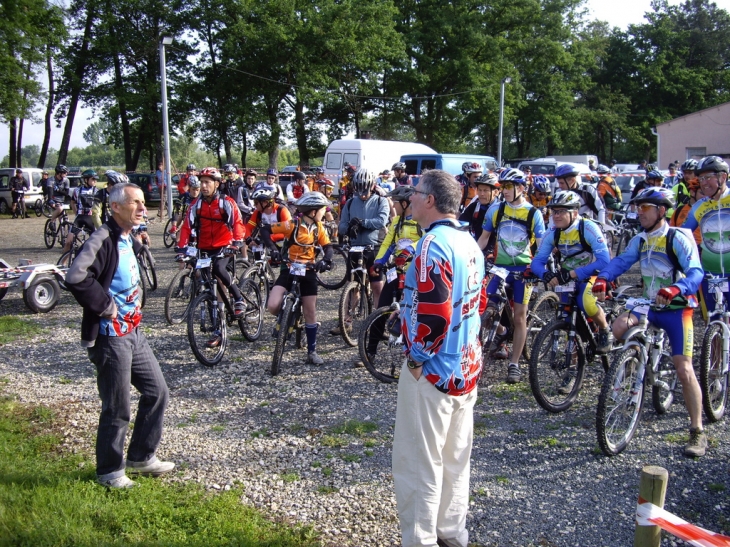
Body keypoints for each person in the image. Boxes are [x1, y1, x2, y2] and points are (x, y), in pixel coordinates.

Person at [393, 169, 486, 547]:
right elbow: (478, 302)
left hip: (432, 372)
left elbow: (436, 314)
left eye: (415, 193)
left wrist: (417, 358)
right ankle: (451, 533)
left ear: (430, 200)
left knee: (419, 465)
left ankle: (420, 540)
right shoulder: (470, 243)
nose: (410, 198)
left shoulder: (431, 246)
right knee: (454, 460)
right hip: (465, 368)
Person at [65, 182, 174, 488]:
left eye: (143, 202)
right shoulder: (103, 237)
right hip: (110, 335)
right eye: (135, 203)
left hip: (133, 331)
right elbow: (75, 276)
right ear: (115, 207)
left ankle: (140, 458)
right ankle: (110, 472)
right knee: (117, 406)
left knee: (157, 391)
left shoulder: (127, 237)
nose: (143, 208)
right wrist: (105, 306)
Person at [593, 187, 706, 457]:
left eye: (645, 208)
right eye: (637, 207)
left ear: (661, 211)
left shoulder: (676, 237)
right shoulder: (640, 239)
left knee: (683, 368)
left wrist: (677, 288)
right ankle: (625, 376)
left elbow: (696, 272)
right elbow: (622, 261)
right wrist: (603, 277)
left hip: (677, 308)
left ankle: (697, 430)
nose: (639, 212)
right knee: (618, 327)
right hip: (648, 305)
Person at [476, 168, 546, 383]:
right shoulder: (495, 211)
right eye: (502, 186)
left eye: (509, 186)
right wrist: (473, 259)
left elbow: (542, 247)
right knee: (485, 307)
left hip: (522, 269)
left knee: (519, 316)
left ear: (521, 188)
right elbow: (484, 239)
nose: (504, 190)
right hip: (500, 267)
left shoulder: (534, 214)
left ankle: (514, 364)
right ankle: (501, 330)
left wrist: (536, 268)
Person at [532, 191, 613, 356]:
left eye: (561, 211)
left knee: (586, 303)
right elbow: (537, 262)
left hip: (592, 274)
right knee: (568, 318)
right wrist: (546, 274)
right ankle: (575, 365)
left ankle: (605, 330)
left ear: (575, 213)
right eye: (554, 211)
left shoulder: (588, 228)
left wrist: (575, 274)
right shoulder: (553, 232)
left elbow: (604, 260)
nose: (556, 215)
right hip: (567, 276)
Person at [262, 192, 333, 365]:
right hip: (289, 269)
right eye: (323, 209)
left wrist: (326, 260)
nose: (325, 212)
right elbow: (265, 230)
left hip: (308, 271)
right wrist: (272, 249)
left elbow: (328, 247)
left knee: (310, 312)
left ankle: (312, 351)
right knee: (272, 305)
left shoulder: (319, 228)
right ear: (313, 211)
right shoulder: (292, 225)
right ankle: (284, 317)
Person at [177, 167, 247, 343]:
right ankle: (217, 329)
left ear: (216, 184)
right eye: (202, 182)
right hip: (204, 247)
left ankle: (238, 298)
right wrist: (181, 249)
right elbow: (186, 227)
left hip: (224, 246)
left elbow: (237, 223)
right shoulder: (196, 204)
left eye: (207, 182)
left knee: (218, 269)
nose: (204, 185)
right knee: (208, 285)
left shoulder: (226, 202)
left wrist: (237, 242)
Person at [360, 185, 422, 366]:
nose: (392, 205)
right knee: (382, 308)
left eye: (395, 201)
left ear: (405, 203)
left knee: (415, 310)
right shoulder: (397, 222)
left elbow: (427, 239)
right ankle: (370, 351)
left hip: (415, 273)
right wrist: (379, 261)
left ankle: (416, 354)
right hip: (397, 271)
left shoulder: (420, 221)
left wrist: (411, 249)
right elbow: (388, 244)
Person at [333, 168, 390, 335]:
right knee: (352, 287)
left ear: (372, 186)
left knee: (377, 286)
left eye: (365, 190)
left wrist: (362, 222)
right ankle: (346, 321)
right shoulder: (350, 203)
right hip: (356, 247)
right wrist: (350, 226)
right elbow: (341, 226)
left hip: (374, 247)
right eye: (359, 190)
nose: (363, 194)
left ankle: (378, 323)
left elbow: (381, 221)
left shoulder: (381, 201)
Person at [681, 156, 730, 321]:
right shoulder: (699, 206)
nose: (703, 183)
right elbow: (683, 235)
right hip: (711, 274)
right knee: (714, 319)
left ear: (723, 177)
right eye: (700, 178)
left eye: (708, 177)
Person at [244, 183, 293, 260]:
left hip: (281, 239)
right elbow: (248, 227)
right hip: (266, 238)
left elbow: (289, 231)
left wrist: (268, 238)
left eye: (256, 203)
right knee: (257, 251)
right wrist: (248, 239)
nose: (254, 205)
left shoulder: (282, 211)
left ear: (265, 202)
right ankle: (259, 268)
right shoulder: (257, 212)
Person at [62, 169, 101, 255]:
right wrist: (76, 212)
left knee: (96, 243)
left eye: (96, 179)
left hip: (91, 219)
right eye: (93, 179)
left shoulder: (97, 192)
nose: (95, 181)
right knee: (68, 241)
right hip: (79, 218)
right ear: (86, 180)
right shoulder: (77, 190)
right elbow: (72, 202)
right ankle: (62, 263)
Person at [459, 173, 500, 242]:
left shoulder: (501, 209)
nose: (481, 194)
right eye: (479, 190)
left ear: (495, 192)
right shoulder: (474, 207)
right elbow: (461, 225)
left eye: (485, 190)